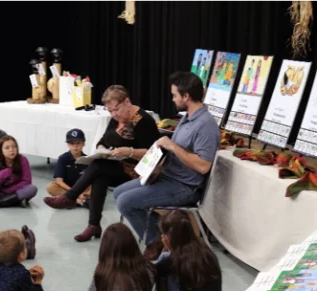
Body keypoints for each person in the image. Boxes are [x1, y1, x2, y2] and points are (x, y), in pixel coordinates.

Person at [114, 72, 220, 261]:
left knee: (125, 202)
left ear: (186, 96)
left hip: (185, 186)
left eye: (174, 95)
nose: (172, 99)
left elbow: (203, 166)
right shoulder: (187, 118)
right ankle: (166, 236)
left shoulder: (206, 125)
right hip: (168, 176)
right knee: (117, 194)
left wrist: (172, 146)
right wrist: (154, 168)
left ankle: (157, 240)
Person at [43, 85, 160, 242]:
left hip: (138, 171)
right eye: (110, 111)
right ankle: (93, 225)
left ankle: (71, 197)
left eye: (116, 109)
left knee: (99, 167)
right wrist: (102, 150)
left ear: (127, 101)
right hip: (118, 166)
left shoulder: (144, 120)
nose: (113, 114)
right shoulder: (115, 118)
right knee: (100, 174)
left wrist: (129, 151)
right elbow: (103, 141)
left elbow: (154, 154)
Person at [153, 210, 222, 291]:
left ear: (169, 237)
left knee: (163, 268)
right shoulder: (205, 249)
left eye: (163, 234)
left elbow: (153, 273)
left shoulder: (172, 259)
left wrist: (166, 250)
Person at [0, 135, 38, 209]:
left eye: (14, 147)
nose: (11, 150)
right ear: (1, 150)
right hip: (1, 191)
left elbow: (27, 181)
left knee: (32, 189)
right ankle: (15, 201)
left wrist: (10, 190)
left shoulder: (23, 159)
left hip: (16, 191)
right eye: (7, 148)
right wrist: (2, 174)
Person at [46, 129, 91, 206]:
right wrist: (74, 192)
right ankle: (79, 201)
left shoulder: (88, 159)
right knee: (51, 187)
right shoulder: (63, 158)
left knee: (98, 185)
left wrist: (83, 192)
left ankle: (68, 200)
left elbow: (91, 180)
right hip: (67, 188)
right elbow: (59, 181)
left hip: (82, 189)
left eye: (78, 143)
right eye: (72, 143)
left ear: (83, 144)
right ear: (67, 145)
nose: (75, 146)